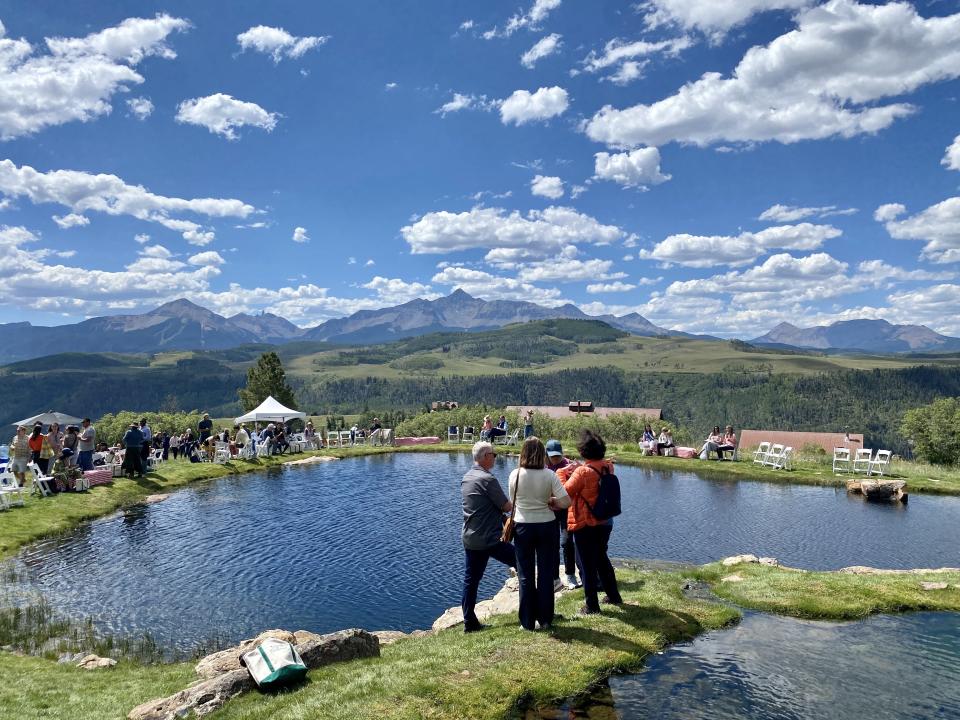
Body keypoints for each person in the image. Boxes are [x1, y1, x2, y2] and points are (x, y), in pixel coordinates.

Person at [509, 437, 570, 631]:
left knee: (525, 575)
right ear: (542, 453)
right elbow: (566, 502)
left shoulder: (515, 474)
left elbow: (513, 502)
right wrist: (552, 501)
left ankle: (527, 622)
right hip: (546, 525)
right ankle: (545, 620)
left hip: (522, 526)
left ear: (523, 453)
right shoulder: (549, 475)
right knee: (545, 574)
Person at [560, 429, 623, 615]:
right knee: (602, 559)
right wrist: (580, 467)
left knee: (586, 564)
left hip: (585, 524)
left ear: (583, 451)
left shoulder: (581, 472)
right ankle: (613, 596)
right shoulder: (607, 466)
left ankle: (592, 606)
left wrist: (563, 473)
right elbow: (592, 474)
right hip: (604, 521)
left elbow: (565, 492)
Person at [460, 441, 515, 633]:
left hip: (470, 538)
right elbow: (507, 506)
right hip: (489, 539)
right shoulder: (487, 479)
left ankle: (469, 621)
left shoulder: (467, 477)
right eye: (493, 454)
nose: (495, 457)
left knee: (471, 580)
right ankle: (533, 608)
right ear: (485, 457)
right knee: (522, 561)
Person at [546, 440, 580, 590]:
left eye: (557, 456)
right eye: (552, 456)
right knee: (551, 544)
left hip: (566, 510)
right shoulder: (544, 466)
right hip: (550, 511)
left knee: (566, 542)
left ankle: (570, 575)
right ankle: (554, 578)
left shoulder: (569, 465)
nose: (555, 459)